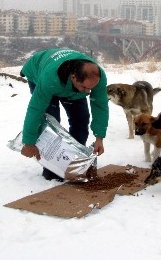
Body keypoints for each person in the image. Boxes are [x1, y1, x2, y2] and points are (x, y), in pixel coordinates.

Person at [19, 48, 109, 181]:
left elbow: (100, 105)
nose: (88, 92)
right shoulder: (50, 78)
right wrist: (28, 142)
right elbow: (35, 109)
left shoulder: (97, 78)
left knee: (81, 120)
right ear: (73, 77)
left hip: (70, 87)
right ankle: (51, 168)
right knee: (51, 124)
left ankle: (75, 162)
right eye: (85, 88)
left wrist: (99, 137)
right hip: (40, 72)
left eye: (90, 88)